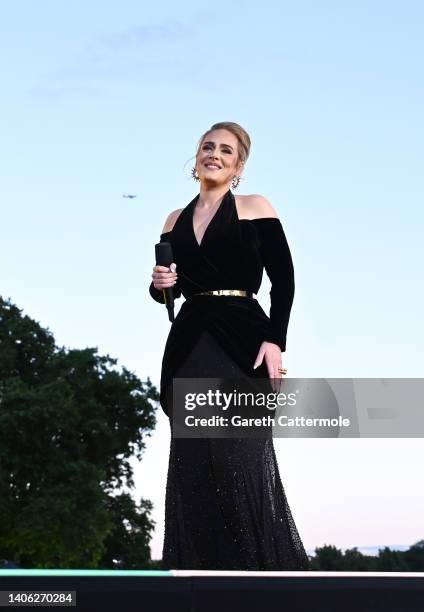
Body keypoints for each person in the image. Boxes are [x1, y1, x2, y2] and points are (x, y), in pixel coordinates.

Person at [149, 122, 309, 570]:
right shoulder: (172, 221)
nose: (214, 154)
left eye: (225, 150)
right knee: (194, 463)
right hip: (189, 342)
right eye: (207, 147)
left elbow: (285, 280)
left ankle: (264, 585)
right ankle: (198, 582)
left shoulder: (255, 207)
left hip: (245, 341)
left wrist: (276, 341)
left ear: (238, 165)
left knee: (240, 459)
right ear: (196, 157)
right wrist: (159, 283)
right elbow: (166, 292)